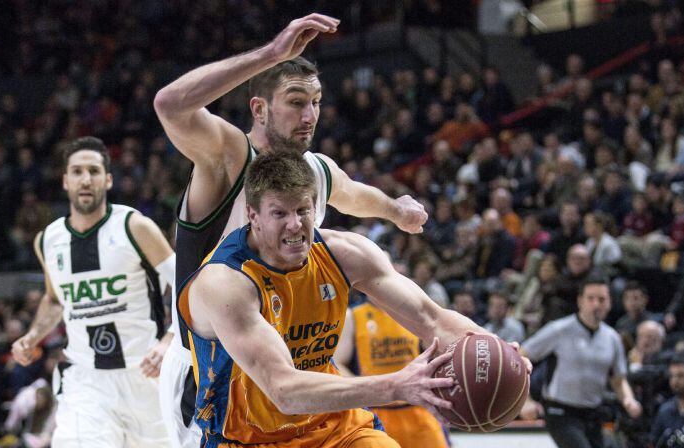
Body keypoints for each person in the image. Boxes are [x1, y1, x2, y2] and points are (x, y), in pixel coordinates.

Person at [153, 13, 428, 447]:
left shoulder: (315, 171)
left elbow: (356, 196)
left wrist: (397, 210)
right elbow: (170, 105)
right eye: (297, 101)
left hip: (295, 371)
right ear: (259, 108)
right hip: (214, 372)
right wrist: (270, 55)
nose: (311, 114)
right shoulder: (229, 157)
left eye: (316, 101)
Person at [181, 151, 528, 447]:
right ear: (253, 215)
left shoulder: (346, 254)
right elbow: (283, 389)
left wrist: (496, 348)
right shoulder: (225, 283)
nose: (295, 225)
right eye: (279, 213)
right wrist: (396, 386)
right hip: (247, 438)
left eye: (303, 210)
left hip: (334, 427)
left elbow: (431, 318)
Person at [11, 136, 173, 446]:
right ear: (65, 181)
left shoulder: (135, 227)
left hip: (146, 375)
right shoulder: (48, 239)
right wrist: (33, 337)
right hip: (86, 379)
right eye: (77, 171)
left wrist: (169, 341)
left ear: (108, 179)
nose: (86, 179)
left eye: (94, 171)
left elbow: (188, 286)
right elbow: (54, 299)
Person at [521, 276, 642, 448]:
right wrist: (525, 400)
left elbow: (618, 380)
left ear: (609, 303)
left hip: (593, 413)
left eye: (601, 299)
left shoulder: (612, 338)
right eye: (591, 298)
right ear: (580, 301)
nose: (596, 304)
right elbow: (519, 357)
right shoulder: (559, 330)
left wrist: (629, 400)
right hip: (560, 411)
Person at [333, 294, 448, 448]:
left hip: (417, 407)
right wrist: (367, 389)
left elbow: (436, 352)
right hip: (377, 410)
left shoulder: (413, 313)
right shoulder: (352, 316)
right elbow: (337, 363)